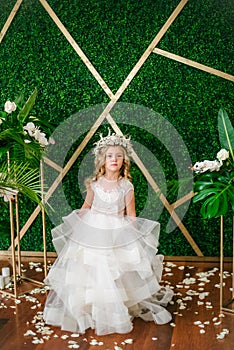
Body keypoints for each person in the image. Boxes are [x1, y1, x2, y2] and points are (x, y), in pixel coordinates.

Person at [43, 130, 173, 335]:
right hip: (93, 229)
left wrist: (135, 240)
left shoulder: (126, 186)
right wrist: (77, 225)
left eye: (119, 156)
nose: (114, 159)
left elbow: (131, 215)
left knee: (115, 270)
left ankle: (114, 308)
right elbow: (86, 207)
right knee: (89, 268)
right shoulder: (94, 184)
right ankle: (90, 307)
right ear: (102, 159)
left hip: (116, 230)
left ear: (124, 161)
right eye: (110, 155)